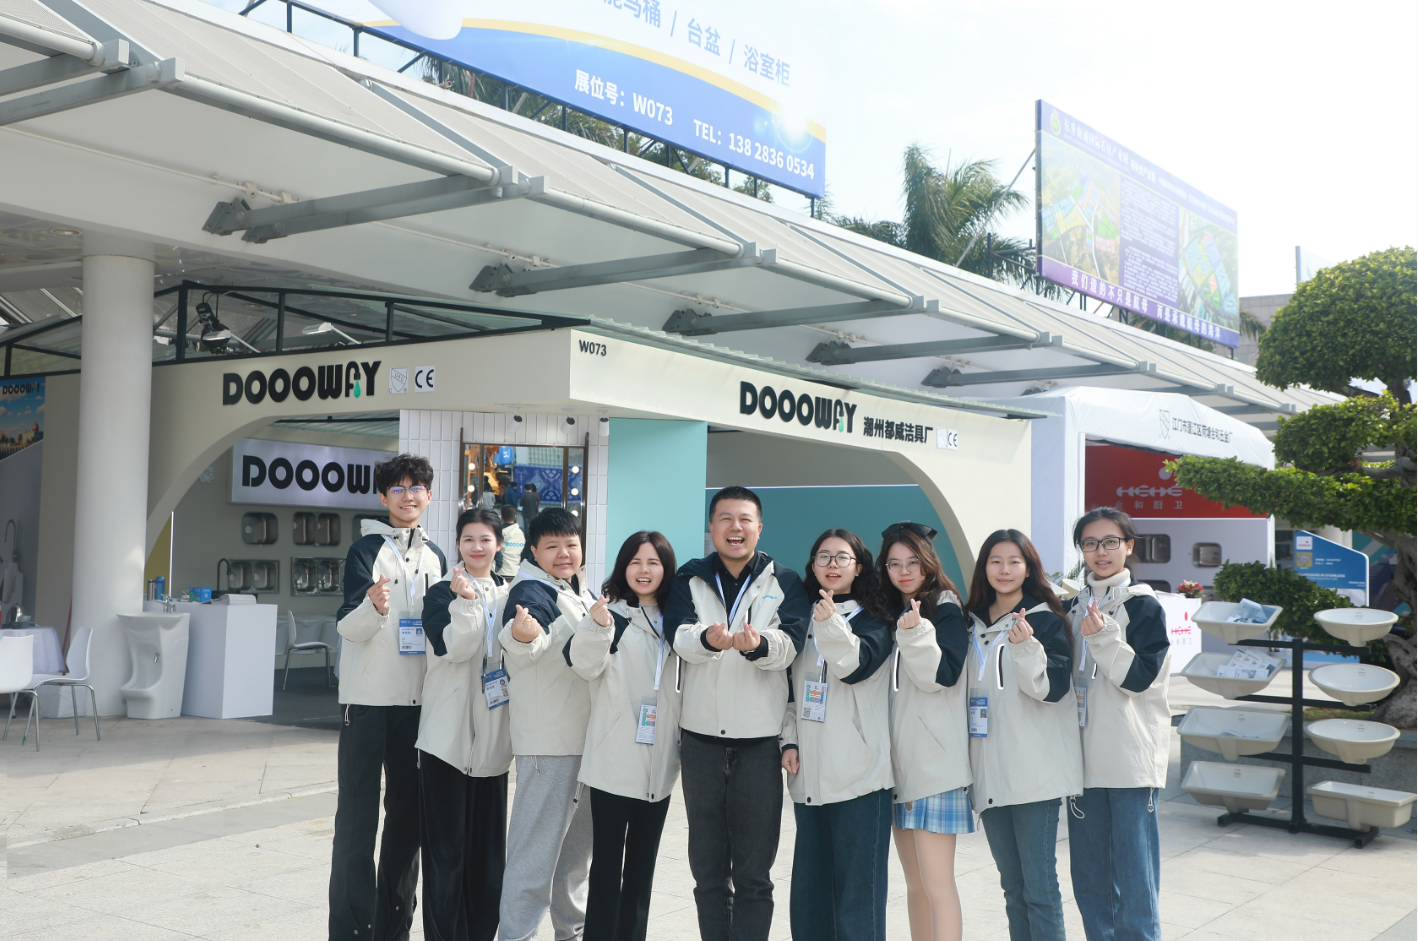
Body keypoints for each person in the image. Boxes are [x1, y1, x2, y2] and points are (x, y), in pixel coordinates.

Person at [667, 485, 811, 941]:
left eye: (745, 519)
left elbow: (791, 645)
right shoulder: (688, 578)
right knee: (707, 871)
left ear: (759, 528)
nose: (735, 527)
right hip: (700, 743)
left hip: (759, 746)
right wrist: (706, 640)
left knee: (754, 874)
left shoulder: (785, 581)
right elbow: (678, 635)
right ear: (711, 528)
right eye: (725, 518)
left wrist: (759, 645)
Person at [329, 453, 447, 941]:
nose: (408, 496)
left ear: (429, 495)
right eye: (397, 489)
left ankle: (393, 930)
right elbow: (347, 625)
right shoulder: (365, 550)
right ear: (383, 498)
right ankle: (351, 932)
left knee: (406, 823)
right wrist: (372, 607)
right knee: (357, 822)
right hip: (367, 702)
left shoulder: (437, 556)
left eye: (416, 488)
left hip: (416, 706)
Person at [964, 530, 1080, 941]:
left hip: (1034, 774)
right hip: (988, 771)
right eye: (995, 561)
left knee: (1039, 889)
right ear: (984, 568)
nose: (1005, 570)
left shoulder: (1045, 619)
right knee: (1013, 888)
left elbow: (1053, 689)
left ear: (1028, 568)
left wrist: (1028, 647)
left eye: (1014, 561)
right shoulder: (971, 622)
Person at [780, 529, 894, 941]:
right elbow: (788, 690)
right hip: (809, 776)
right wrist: (789, 740)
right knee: (810, 897)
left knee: (857, 900)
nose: (831, 564)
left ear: (858, 566)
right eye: (823, 557)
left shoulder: (876, 619)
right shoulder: (800, 618)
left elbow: (853, 666)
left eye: (842, 557)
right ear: (812, 566)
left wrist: (829, 623)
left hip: (860, 778)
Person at [568, 531, 682, 941]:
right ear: (623, 567)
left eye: (653, 562)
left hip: (659, 764)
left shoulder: (679, 620)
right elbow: (583, 665)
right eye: (635, 562)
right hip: (613, 763)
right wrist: (597, 628)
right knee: (605, 868)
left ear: (666, 569)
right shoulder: (609, 615)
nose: (644, 570)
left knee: (641, 870)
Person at [1066, 508, 1171, 941]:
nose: (1101, 551)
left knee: (1134, 879)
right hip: (1081, 763)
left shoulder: (1143, 606)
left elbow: (1138, 678)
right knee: (1090, 879)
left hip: (1129, 762)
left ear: (1129, 545)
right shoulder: (1071, 606)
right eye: (1090, 543)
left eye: (1110, 541)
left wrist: (1103, 638)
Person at [497, 507, 596, 941]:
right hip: (550, 748)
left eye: (571, 544)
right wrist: (523, 635)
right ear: (533, 551)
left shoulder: (578, 591)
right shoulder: (532, 591)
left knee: (574, 859)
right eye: (552, 546)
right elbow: (525, 641)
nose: (564, 553)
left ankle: (570, 933)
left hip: (585, 743)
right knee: (534, 858)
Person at [417, 507, 512, 941]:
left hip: (492, 746)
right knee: (444, 858)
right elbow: (455, 649)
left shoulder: (512, 594)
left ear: (499, 544)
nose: (477, 547)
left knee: (488, 860)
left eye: (485, 539)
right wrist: (468, 603)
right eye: (468, 539)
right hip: (445, 744)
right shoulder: (441, 593)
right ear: (458, 544)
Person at [878, 521, 972, 941]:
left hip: (935, 767)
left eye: (912, 562)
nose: (903, 571)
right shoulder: (891, 611)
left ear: (929, 563)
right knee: (915, 885)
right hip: (900, 766)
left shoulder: (945, 607)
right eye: (894, 564)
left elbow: (943, 676)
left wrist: (916, 632)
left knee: (937, 884)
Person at [498, 506, 525, 580]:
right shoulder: (521, 533)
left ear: (501, 517)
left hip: (499, 572)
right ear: (515, 517)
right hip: (516, 572)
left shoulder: (497, 533)